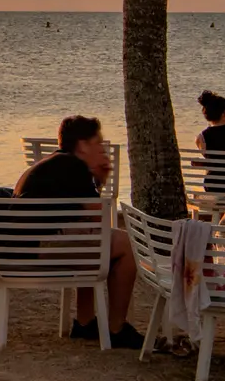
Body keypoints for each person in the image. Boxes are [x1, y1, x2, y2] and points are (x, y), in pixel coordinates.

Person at [13, 116, 142, 350]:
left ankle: (85, 322)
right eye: (98, 143)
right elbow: (99, 218)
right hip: (35, 252)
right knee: (126, 244)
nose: (102, 149)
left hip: (19, 248)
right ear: (83, 145)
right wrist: (100, 178)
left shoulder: (51, 164)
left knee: (92, 241)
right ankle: (116, 328)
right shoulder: (74, 167)